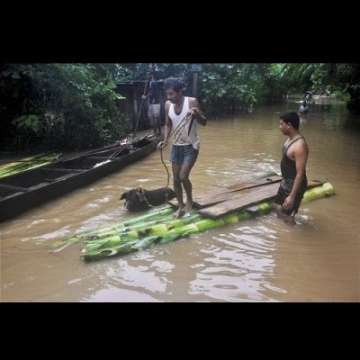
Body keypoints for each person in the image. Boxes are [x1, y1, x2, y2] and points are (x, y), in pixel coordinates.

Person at [158, 77, 207, 218]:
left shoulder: (191, 102)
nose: (169, 97)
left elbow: (204, 122)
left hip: (191, 146)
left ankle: (189, 201)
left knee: (183, 176)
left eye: (172, 94)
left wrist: (197, 114)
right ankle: (180, 207)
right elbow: (168, 124)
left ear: (180, 92)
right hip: (176, 146)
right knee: (175, 179)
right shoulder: (168, 105)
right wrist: (165, 140)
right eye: (167, 94)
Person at [273, 112, 309, 225]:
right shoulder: (289, 139)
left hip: (294, 185)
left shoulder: (299, 146)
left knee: (288, 216)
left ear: (289, 125)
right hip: (286, 181)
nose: (280, 127)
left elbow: (300, 173)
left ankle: (292, 238)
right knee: (278, 209)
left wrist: (292, 196)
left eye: (281, 124)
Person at [142, 70, 162, 136]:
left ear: (151, 75)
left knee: (156, 118)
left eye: (148, 75)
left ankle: (157, 132)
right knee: (152, 117)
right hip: (152, 102)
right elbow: (151, 92)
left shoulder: (153, 82)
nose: (147, 76)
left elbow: (153, 93)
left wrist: (145, 96)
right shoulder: (150, 82)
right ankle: (156, 132)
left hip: (155, 102)